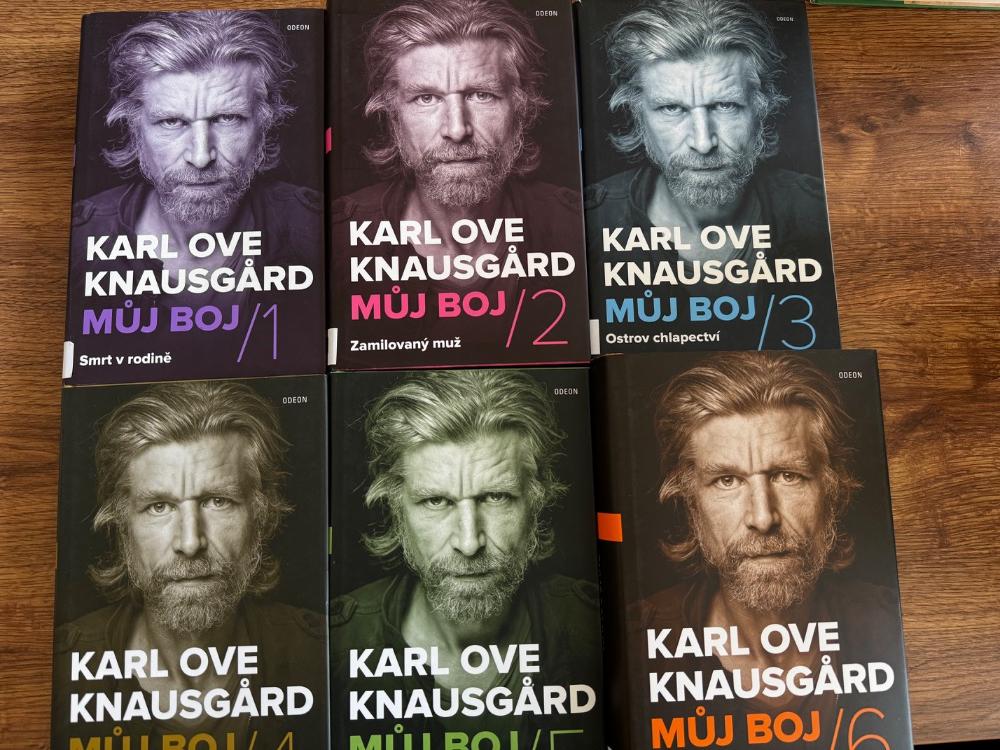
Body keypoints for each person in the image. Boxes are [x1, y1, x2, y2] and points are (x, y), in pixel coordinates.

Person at [635, 352, 905, 746]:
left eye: (788, 475)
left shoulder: (890, 627)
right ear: (690, 504)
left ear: (833, 492)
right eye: (727, 480)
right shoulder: (638, 641)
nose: (762, 518)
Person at [51, 381, 325, 747]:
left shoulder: (322, 657)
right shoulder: (60, 670)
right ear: (120, 525)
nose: (191, 542)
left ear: (263, 515)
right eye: (159, 507)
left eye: (218, 501)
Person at [330, 370, 600, 738]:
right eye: (436, 501)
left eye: (496, 497)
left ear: (536, 500)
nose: (470, 543)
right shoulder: (334, 647)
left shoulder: (594, 630)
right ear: (395, 507)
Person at [331, 0, 581, 261]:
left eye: (482, 95)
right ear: (392, 114)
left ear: (522, 106)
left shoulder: (577, 227)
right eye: (426, 98)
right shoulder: (337, 237)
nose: (457, 130)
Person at [586, 0, 829, 263]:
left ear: (761, 107)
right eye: (672, 108)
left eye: (726, 105)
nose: (703, 143)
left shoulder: (819, 212)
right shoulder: (588, 223)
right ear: (637, 113)